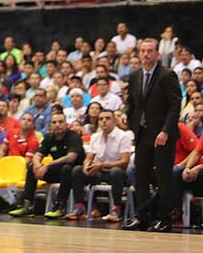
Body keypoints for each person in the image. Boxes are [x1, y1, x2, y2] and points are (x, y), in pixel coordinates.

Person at [124, 38, 181, 232]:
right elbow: (132, 103)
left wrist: (165, 130)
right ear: (139, 54)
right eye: (143, 51)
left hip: (162, 135)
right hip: (142, 134)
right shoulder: (134, 76)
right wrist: (127, 117)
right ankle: (142, 217)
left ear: (157, 54)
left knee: (163, 177)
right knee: (140, 177)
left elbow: (175, 106)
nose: (146, 54)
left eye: (150, 51)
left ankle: (164, 219)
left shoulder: (167, 75)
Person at [9, 112, 86, 218]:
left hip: (74, 174)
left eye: (60, 122)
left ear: (66, 124)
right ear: (51, 125)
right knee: (32, 168)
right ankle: (27, 204)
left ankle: (60, 206)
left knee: (66, 168)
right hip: (56, 173)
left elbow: (71, 157)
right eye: (54, 122)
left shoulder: (74, 136)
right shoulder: (49, 137)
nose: (57, 124)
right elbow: (38, 155)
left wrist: (47, 166)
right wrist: (37, 165)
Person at [67, 109, 132, 222]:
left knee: (115, 172)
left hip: (118, 172)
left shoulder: (123, 136)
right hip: (100, 171)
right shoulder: (95, 137)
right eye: (101, 119)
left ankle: (116, 209)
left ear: (114, 121)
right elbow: (88, 158)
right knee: (77, 170)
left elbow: (125, 161)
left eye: (107, 118)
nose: (104, 121)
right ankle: (80, 207)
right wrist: (86, 166)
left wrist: (102, 165)